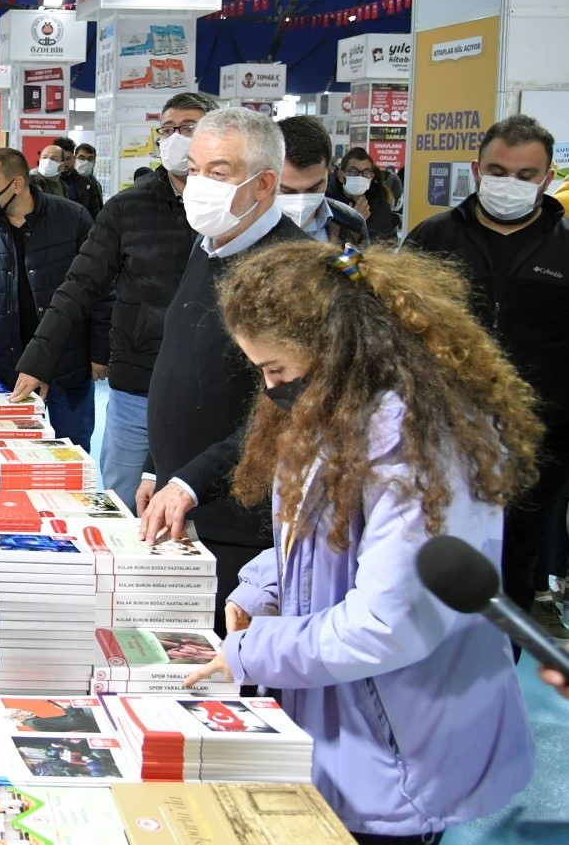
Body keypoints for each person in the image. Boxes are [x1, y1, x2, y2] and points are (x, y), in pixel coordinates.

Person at [187, 239, 540, 845]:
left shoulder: (422, 449)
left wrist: (254, 652)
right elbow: (318, 539)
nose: (270, 388)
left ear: (336, 351)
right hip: (348, 718)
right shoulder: (338, 412)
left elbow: (388, 623)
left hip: (402, 743)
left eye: (277, 370)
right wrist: (263, 585)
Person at [134, 107, 307, 624]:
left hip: (243, 525)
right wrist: (156, 465)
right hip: (184, 503)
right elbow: (180, 359)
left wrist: (189, 480)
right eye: (194, 168)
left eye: (219, 173)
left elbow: (285, 413)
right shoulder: (210, 244)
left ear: (264, 185)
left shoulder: (293, 275)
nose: (197, 186)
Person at [12, 93, 219, 510]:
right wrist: (38, 359)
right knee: (124, 505)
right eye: (168, 129)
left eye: (190, 128)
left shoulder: (232, 206)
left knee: (202, 512)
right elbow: (78, 285)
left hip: (212, 390)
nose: (176, 138)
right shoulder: (128, 207)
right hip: (137, 384)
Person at [405, 114, 569, 638]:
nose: (510, 184)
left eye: (526, 174)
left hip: (538, 441)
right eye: (498, 170)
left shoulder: (565, 246)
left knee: (518, 560)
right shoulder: (434, 236)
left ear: (547, 176)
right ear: (476, 169)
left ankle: (503, 665)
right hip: (440, 432)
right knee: (433, 550)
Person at [0, 148, 106, 445]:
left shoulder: (72, 219)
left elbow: (99, 287)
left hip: (66, 363)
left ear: (17, 184)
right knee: (14, 454)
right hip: (8, 363)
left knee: (71, 451)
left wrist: (100, 350)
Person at [275, 115, 368, 245]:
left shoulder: (351, 223)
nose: (301, 202)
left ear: (328, 170)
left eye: (313, 189)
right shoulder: (246, 227)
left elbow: (360, 265)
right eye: (287, 191)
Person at [331, 147, 401, 243]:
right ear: (341, 176)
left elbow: (380, 250)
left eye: (366, 173)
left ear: (371, 177)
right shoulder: (330, 204)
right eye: (353, 171)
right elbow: (332, 252)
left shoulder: (379, 207)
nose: (360, 177)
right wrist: (354, 223)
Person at [52, 137, 104, 217]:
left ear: (73, 158)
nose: (64, 163)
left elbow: (95, 213)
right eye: (60, 158)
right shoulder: (43, 181)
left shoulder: (87, 183)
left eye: (68, 158)